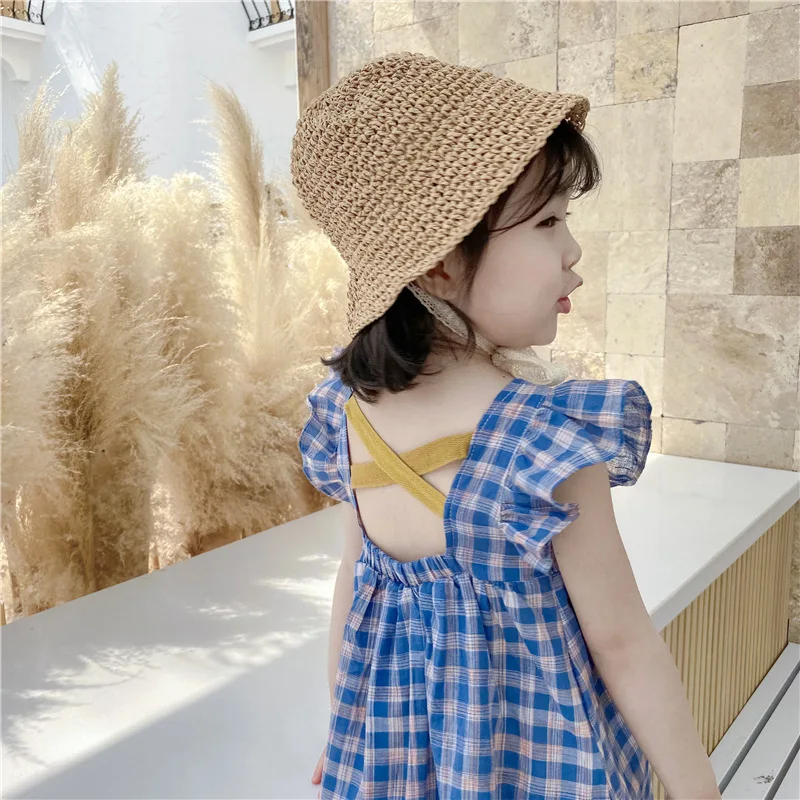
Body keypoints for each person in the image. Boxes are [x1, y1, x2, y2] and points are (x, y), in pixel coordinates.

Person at [293, 52, 721, 800]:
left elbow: (355, 590)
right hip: (544, 769)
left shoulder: (348, 416)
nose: (572, 250)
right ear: (438, 265)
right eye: (549, 220)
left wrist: (346, 734)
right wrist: (699, 791)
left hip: (396, 766)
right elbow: (622, 644)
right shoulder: (545, 441)